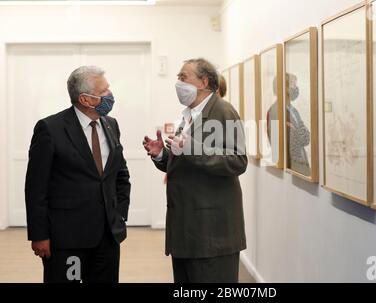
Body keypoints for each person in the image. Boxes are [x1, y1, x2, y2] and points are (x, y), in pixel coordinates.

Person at [143, 58, 247, 283]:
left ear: (203, 82)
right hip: (186, 230)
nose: (178, 83)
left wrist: (194, 149)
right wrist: (161, 155)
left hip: (211, 233)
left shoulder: (224, 110)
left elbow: (238, 161)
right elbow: (184, 162)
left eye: (183, 77)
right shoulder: (189, 115)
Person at [25, 66, 131, 283]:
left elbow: (120, 175)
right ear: (85, 99)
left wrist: (119, 214)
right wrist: (39, 235)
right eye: (104, 91)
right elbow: (36, 187)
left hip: (107, 236)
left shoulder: (111, 125)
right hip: (66, 239)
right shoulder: (50, 128)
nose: (110, 95)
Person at [267, 73, 311, 175]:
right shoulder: (274, 111)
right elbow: (276, 147)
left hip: (301, 167)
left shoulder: (293, 110)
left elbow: (306, 139)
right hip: (292, 168)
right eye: (293, 85)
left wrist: (295, 130)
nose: (296, 88)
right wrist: (297, 132)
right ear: (283, 87)